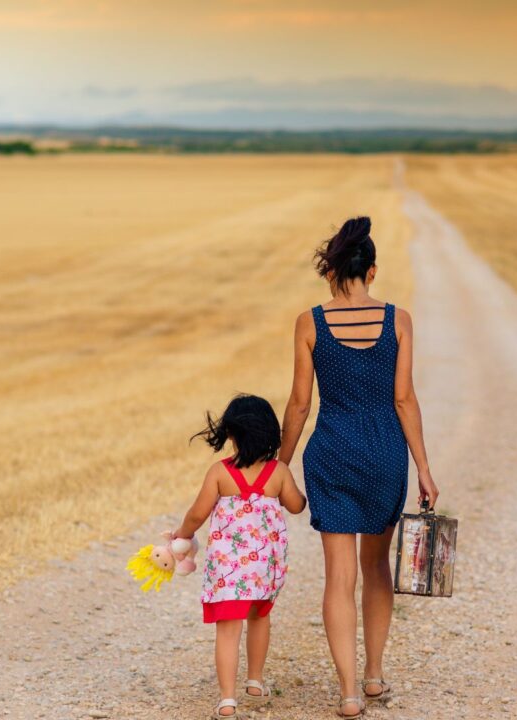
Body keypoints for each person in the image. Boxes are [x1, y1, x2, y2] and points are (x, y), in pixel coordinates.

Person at [279, 216, 439, 719]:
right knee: (375, 569)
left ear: (331, 272)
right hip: (384, 455)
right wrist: (425, 470)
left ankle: (347, 693)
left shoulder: (310, 323)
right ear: (371, 271)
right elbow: (404, 399)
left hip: (330, 452)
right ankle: (373, 676)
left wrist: (279, 468)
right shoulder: (398, 320)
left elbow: (299, 406)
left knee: (337, 578)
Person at [174, 394, 307, 719]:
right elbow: (295, 505)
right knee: (260, 618)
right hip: (263, 569)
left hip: (228, 571)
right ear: (271, 434)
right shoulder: (278, 473)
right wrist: (300, 495)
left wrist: (183, 536)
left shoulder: (220, 473)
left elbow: (197, 513)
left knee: (227, 629)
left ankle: (227, 699)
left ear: (231, 435)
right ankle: (255, 680)